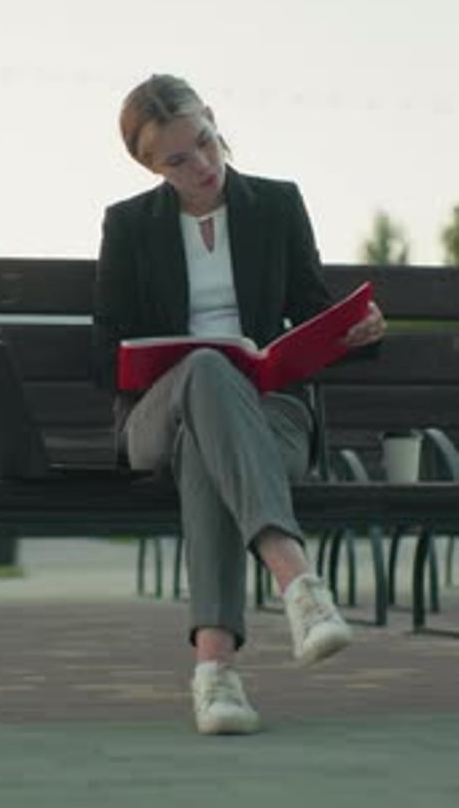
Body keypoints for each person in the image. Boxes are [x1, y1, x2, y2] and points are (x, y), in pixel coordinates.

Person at [92, 74, 386, 735]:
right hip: (156, 420)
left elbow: (313, 313)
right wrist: (162, 357)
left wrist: (357, 333)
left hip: (266, 411)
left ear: (213, 120)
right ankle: (298, 580)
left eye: (204, 141)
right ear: (149, 166)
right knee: (202, 369)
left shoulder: (276, 205)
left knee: (211, 439)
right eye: (178, 159)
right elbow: (103, 350)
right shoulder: (129, 226)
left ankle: (216, 675)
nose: (202, 165)